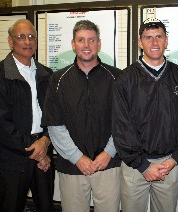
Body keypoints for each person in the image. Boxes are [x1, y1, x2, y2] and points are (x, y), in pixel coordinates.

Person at [112, 17, 178, 212]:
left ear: (166, 40)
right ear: (140, 42)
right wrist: (142, 165)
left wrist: (176, 157)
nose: (154, 42)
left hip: (169, 164)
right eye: (148, 37)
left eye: (159, 36)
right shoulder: (125, 79)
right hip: (135, 167)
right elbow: (120, 126)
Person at [42, 20, 121, 212]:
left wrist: (108, 153)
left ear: (99, 44)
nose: (86, 45)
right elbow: (54, 125)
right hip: (71, 167)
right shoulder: (57, 79)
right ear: (73, 44)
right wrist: (78, 158)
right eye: (81, 40)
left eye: (91, 40)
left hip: (108, 165)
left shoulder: (118, 78)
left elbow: (124, 122)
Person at [0, 19, 54, 212]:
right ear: (10, 41)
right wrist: (35, 152)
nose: (27, 41)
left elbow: (55, 114)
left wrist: (46, 141)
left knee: (46, 207)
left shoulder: (46, 75)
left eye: (31, 36)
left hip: (44, 153)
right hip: (13, 159)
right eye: (21, 37)